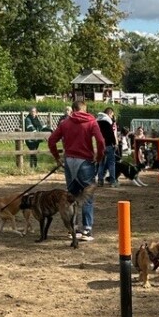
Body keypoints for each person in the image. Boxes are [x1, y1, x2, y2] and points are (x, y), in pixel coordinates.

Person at [48, 100, 106, 241]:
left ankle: (73, 228)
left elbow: (51, 140)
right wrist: (98, 157)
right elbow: (100, 142)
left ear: (73, 109)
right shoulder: (92, 122)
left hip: (69, 161)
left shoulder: (65, 123)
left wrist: (57, 157)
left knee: (71, 196)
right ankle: (86, 229)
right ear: (84, 109)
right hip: (85, 162)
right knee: (87, 196)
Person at [96, 108, 118, 186]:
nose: (112, 116)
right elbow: (111, 134)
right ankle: (112, 181)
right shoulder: (108, 121)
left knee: (101, 163)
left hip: (100, 145)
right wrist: (115, 143)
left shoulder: (97, 120)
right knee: (111, 163)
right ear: (109, 113)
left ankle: (100, 181)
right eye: (112, 114)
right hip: (109, 144)